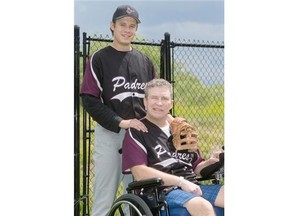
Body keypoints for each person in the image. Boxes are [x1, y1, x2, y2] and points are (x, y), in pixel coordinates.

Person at [80, 5, 157, 216]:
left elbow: (154, 100)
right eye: (122, 24)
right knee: (105, 197)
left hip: (140, 136)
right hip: (111, 133)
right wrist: (121, 122)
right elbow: (89, 99)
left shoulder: (145, 61)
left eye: (132, 26)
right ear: (112, 26)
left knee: (136, 196)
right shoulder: (100, 58)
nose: (127, 29)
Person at [122, 78, 224, 216]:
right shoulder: (137, 131)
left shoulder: (182, 130)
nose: (159, 103)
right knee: (202, 206)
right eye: (154, 98)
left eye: (164, 98)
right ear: (145, 101)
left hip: (192, 186)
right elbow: (140, 173)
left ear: (171, 103)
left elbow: (196, 168)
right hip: (161, 191)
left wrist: (213, 162)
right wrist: (180, 182)